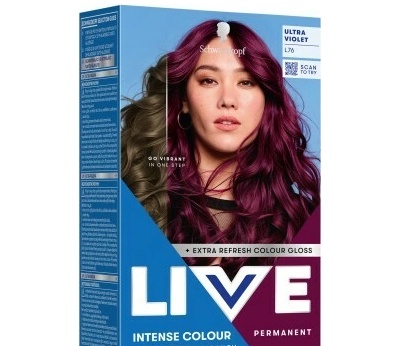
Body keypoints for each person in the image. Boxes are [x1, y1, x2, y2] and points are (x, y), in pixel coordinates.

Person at [121, 20, 320, 279]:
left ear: (266, 102)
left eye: (246, 82)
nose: (228, 100)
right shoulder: (135, 201)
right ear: (184, 101)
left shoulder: (300, 219)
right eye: (209, 80)